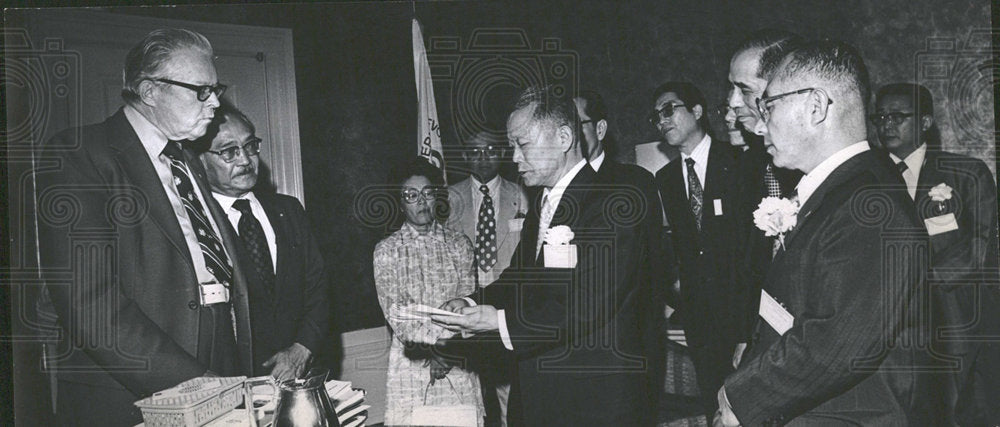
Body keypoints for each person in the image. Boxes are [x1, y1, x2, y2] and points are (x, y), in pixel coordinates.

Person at [34, 28, 253, 426]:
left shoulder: (188, 160)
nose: (216, 103)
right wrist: (198, 383)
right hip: (132, 391)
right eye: (201, 90)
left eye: (215, 89)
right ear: (150, 91)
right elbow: (91, 306)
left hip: (219, 366)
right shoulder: (80, 153)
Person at [716, 40, 933, 425]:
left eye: (769, 105)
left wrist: (739, 398)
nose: (761, 123)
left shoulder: (870, 206)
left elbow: (836, 343)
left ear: (815, 106)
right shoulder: (840, 191)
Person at [433, 86, 653, 426]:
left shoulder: (614, 200)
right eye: (512, 146)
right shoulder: (542, 202)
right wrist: (470, 301)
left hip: (593, 397)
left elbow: (587, 304)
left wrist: (497, 321)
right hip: (540, 388)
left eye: (522, 145)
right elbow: (520, 278)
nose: (514, 158)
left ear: (564, 137)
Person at [873, 82, 1000, 425]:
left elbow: (979, 247)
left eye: (897, 116)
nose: (886, 124)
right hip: (887, 335)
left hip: (953, 328)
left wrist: (916, 282)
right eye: (881, 116)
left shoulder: (967, 174)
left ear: (926, 122)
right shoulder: (865, 178)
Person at [197, 105, 330, 381]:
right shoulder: (197, 225)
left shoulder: (289, 210)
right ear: (200, 160)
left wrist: (302, 349)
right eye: (228, 151)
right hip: (233, 385)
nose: (245, 160)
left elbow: (319, 288)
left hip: (303, 374)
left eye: (250, 146)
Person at [574, 90, 669, 416]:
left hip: (624, 347)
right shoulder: (551, 190)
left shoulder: (634, 182)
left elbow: (654, 268)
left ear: (600, 129)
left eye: (578, 124)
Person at [651, 81, 741, 419]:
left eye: (669, 109)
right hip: (699, 317)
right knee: (711, 402)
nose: (661, 120)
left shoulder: (735, 160)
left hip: (742, 310)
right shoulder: (666, 177)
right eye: (656, 116)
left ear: (697, 111)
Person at [374, 157, 485, 426]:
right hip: (411, 366)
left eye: (427, 193)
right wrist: (434, 351)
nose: (421, 202)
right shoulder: (387, 250)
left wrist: (446, 353)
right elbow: (397, 313)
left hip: (458, 359)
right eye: (411, 195)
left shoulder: (459, 244)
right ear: (400, 203)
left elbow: (468, 302)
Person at [725, 30, 804, 369]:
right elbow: (749, 262)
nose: (731, 102)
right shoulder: (749, 165)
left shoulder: (815, 165)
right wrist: (746, 334)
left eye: (743, 89)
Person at [446, 130, 527, 427]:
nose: (483, 158)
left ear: (503, 153)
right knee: (467, 397)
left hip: (504, 308)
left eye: (491, 150)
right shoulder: (447, 198)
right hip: (464, 308)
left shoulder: (523, 194)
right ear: (465, 156)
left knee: (509, 395)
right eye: (475, 151)